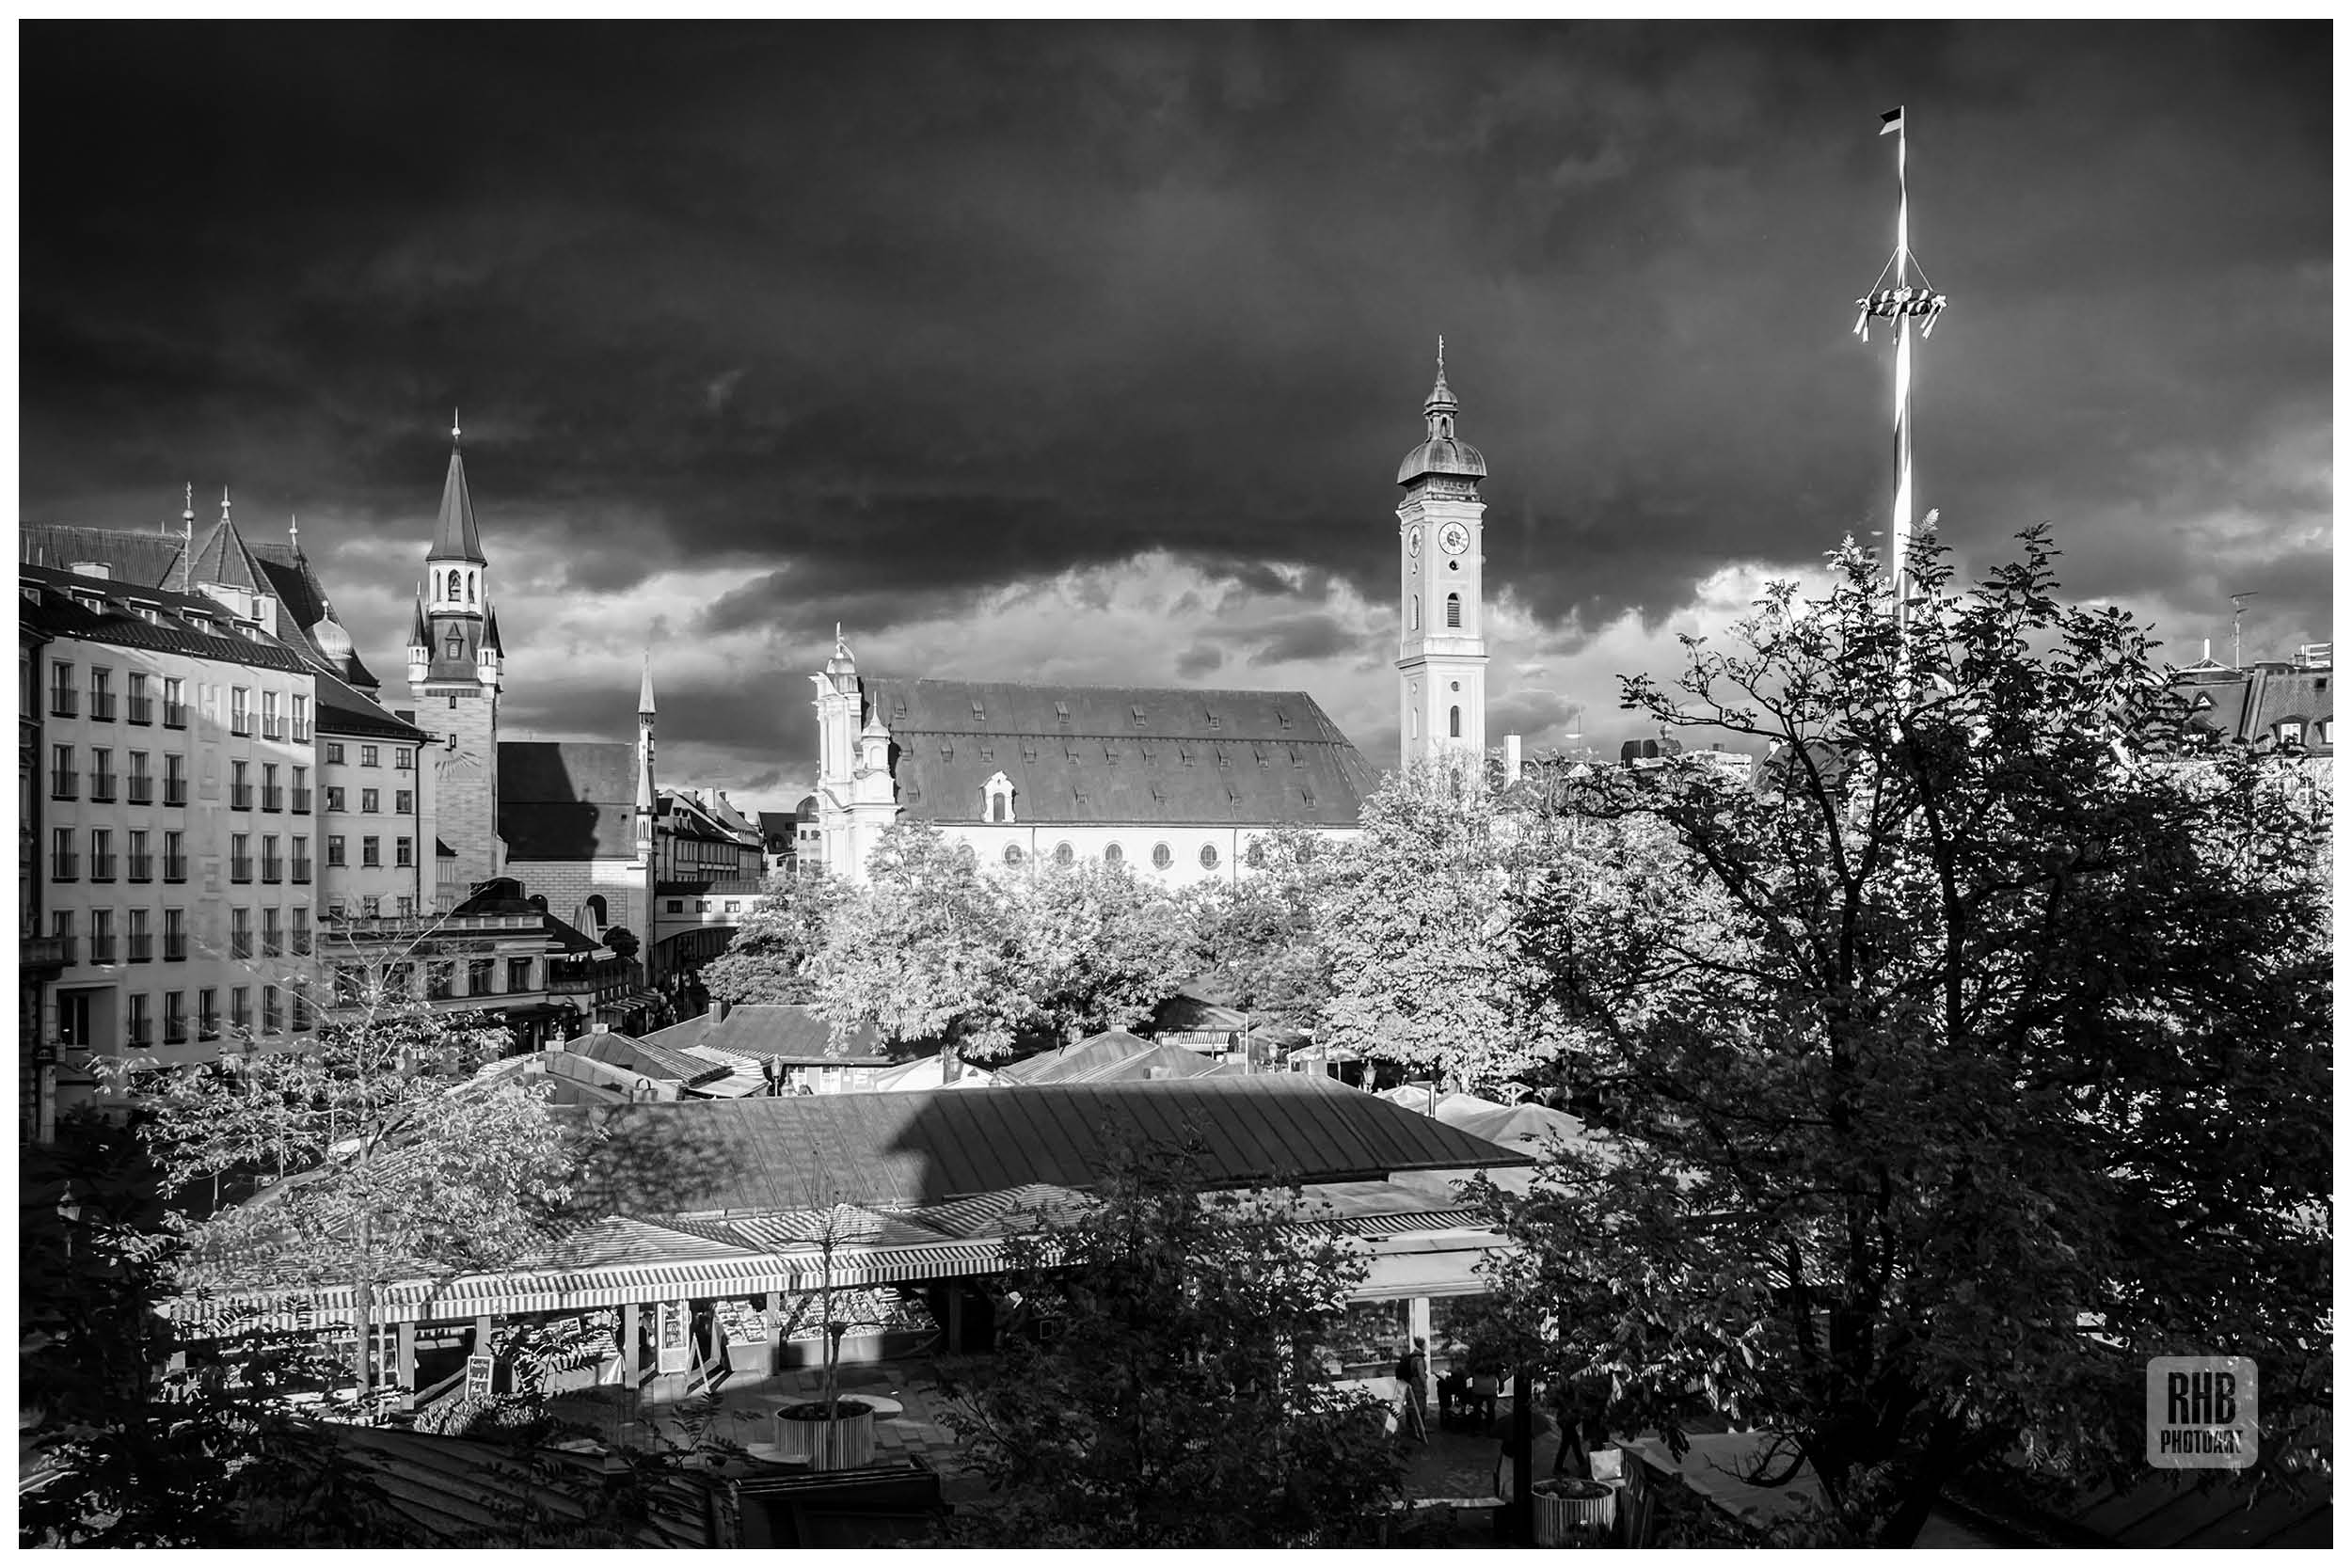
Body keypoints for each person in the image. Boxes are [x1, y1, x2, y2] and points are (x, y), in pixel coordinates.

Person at [1395, 1337, 1430, 1443]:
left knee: (1415, 1405)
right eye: (1425, 1344)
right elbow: (1421, 1374)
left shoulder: (1414, 1356)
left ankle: (1416, 1427)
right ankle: (1418, 1430)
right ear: (1422, 1346)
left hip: (1413, 1382)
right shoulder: (1418, 1359)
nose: (1426, 1346)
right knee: (1419, 1406)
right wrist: (1425, 1386)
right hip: (1418, 1384)